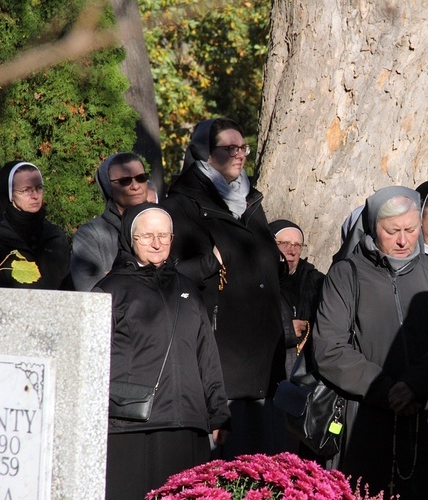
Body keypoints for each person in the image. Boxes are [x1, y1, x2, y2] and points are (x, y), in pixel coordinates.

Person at [313, 186, 428, 498]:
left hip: (425, 411)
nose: (403, 241)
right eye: (392, 231)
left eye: (411, 230)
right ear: (373, 227)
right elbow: (329, 347)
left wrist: (415, 384)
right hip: (364, 414)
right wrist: (387, 389)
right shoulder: (347, 274)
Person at [162, 117, 285, 457]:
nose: (239, 154)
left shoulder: (249, 200)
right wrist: (212, 261)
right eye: (228, 148)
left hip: (262, 355)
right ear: (204, 153)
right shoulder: (182, 204)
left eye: (242, 147)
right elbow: (168, 276)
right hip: (221, 358)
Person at [94, 203, 229, 499]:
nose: (157, 243)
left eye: (164, 236)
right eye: (147, 236)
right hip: (131, 427)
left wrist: (219, 415)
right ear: (131, 240)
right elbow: (92, 363)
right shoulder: (110, 290)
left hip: (188, 425)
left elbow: (207, 354)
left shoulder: (188, 288)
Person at [71, 152, 150, 291]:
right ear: (109, 187)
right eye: (125, 181)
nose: (136, 186)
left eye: (141, 178)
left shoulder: (165, 227)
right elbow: (91, 291)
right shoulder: (90, 235)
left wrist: (114, 278)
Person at [0, 161, 70, 289]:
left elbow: (68, 288)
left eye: (39, 188)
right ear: (10, 194)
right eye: (25, 190)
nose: (35, 196)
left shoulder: (55, 237)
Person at [268, 219, 325, 376]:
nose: (292, 251)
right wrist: (287, 331)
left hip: (304, 374)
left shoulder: (316, 282)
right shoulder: (256, 282)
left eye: (297, 245)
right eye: (284, 243)